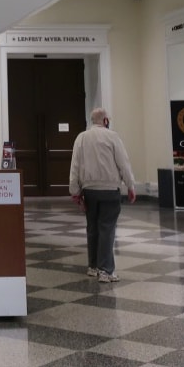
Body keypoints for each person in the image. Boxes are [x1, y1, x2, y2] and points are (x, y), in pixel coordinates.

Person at [68, 107, 136, 283]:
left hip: (89, 190)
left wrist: (75, 191)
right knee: (107, 228)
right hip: (109, 190)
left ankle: (93, 266)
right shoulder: (112, 137)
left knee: (92, 227)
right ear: (105, 120)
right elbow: (123, 163)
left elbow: (74, 166)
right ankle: (106, 270)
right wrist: (130, 185)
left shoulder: (81, 138)